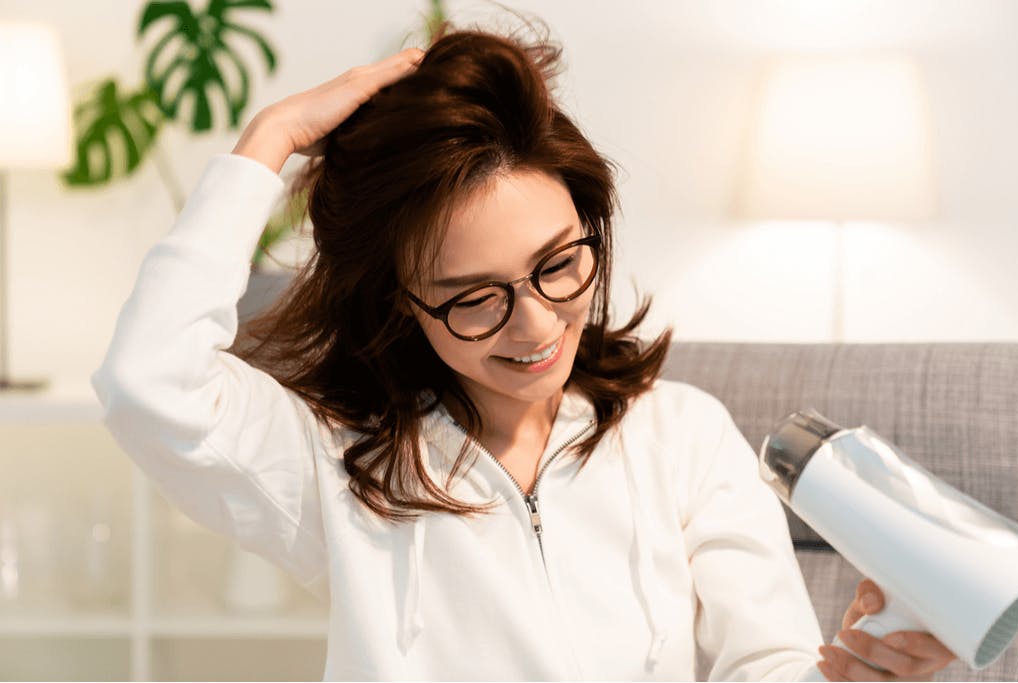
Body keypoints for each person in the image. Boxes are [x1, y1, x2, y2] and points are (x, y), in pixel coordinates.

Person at [91, 21, 956, 682]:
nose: (537, 326)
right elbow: (147, 383)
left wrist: (850, 670)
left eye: (558, 265)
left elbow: (764, 664)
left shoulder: (682, 437)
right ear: (405, 302)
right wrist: (270, 140)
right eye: (475, 298)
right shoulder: (340, 461)